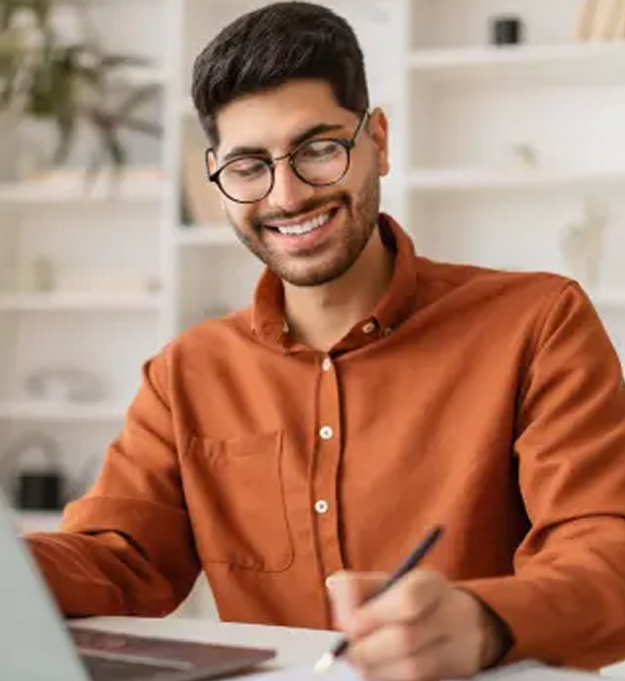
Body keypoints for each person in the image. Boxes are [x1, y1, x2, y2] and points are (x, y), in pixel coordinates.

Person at [24, 2, 625, 680]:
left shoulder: (538, 321)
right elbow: (118, 557)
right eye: (249, 165)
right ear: (217, 175)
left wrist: (485, 620)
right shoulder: (186, 371)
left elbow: (605, 553)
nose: (285, 196)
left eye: (317, 149)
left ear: (379, 141)